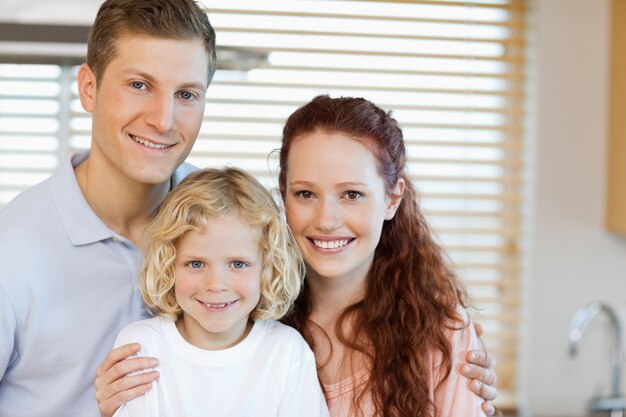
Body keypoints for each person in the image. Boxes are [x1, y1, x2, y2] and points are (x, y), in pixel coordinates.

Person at [0, 1, 216, 416]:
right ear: (88, 88)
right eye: (139, 85)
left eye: (186, 94)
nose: (164, 120)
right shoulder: (10, 253)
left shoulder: (230, 224)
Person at [277, 95, 491, 416]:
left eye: (352, 194)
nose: (326, 220)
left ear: (392, 199)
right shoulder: (245, 317)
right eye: (305, 194)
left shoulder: (442, 335)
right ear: (283, 195)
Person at [112, 167, 329, 416]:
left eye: (238, 264)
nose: (215, 284)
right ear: (168, 266)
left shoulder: (286, 351)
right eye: (196, 264)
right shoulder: (142, 345)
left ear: (268, 268)